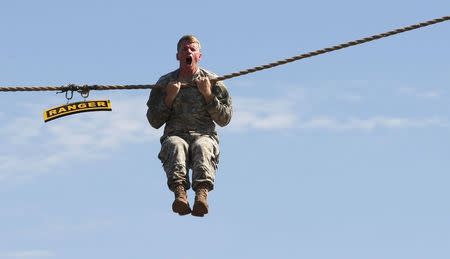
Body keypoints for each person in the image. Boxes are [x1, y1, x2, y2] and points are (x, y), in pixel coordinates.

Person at [146, 35, 232, 217]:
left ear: (199, 56)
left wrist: (208, 95)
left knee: (203, 147)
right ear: (178, 56)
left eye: (192, 49)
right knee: (175, 145)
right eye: (184, 49)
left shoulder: (212, 81)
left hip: (204, 134)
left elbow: (225, 119)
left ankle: (201, 195)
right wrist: (169, 98)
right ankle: (180, 194)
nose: (188, 52)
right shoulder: (165, 83)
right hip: (176, 134)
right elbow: (153, 121)